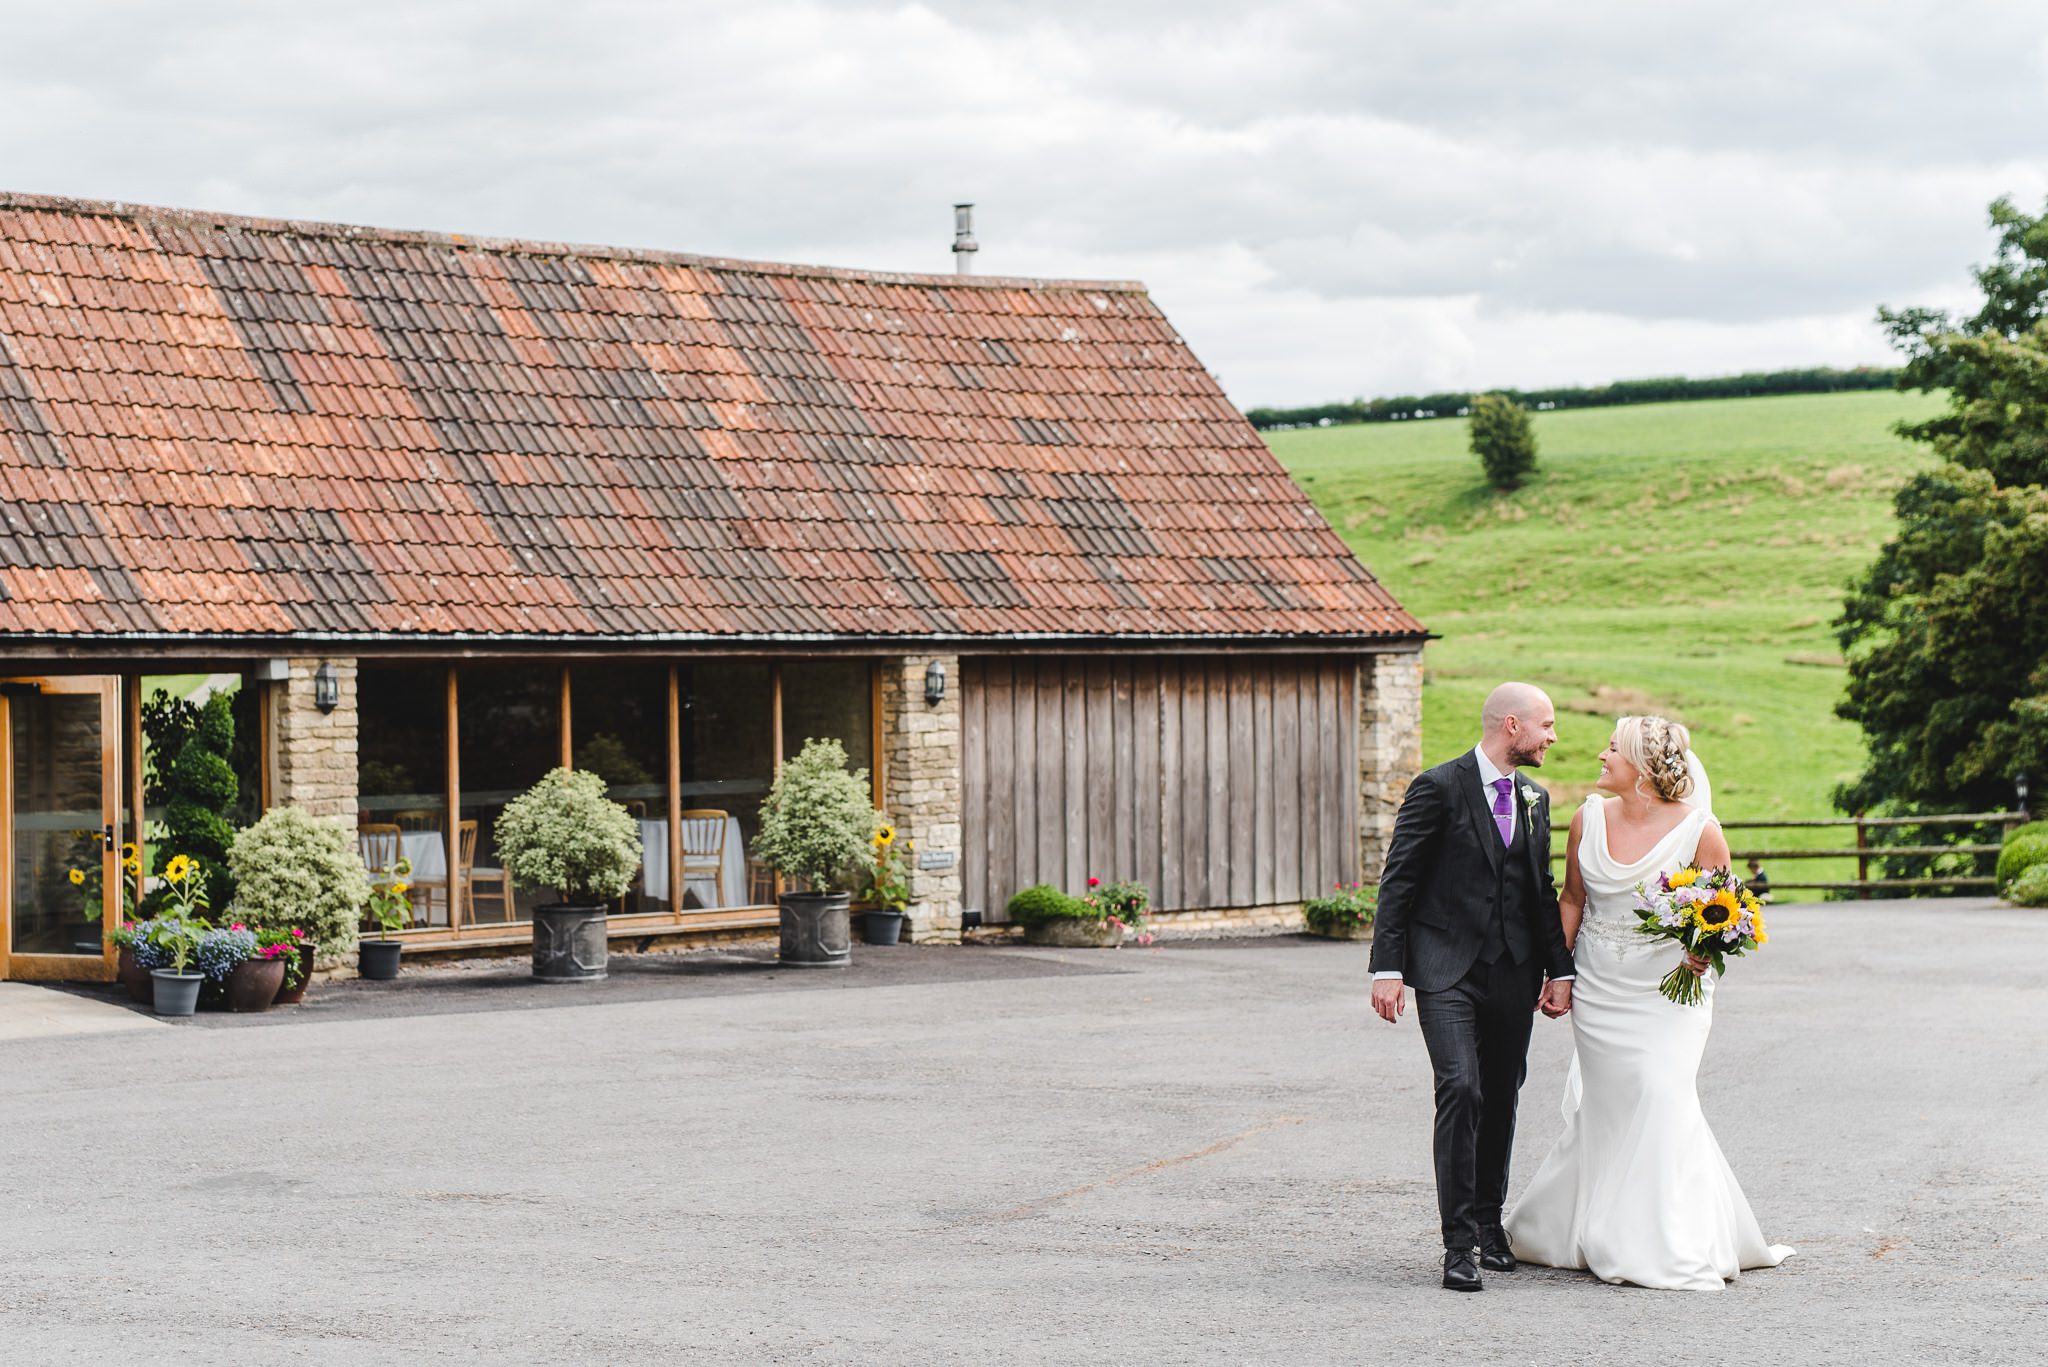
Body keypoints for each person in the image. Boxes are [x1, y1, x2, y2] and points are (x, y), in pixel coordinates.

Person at [1505, 715, 1794, 1290]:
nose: (1600, 755)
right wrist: (1557, 973)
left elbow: (1725, 910)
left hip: (1670, 990)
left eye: (1612, 748)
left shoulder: (1700, 830)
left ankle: (1669, 1240)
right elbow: (1572, 899)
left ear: (1640, 765)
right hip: (1599, 986)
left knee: (1662, 1093)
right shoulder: (1587, 818)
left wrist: (1700, 954)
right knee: (1613, 1106)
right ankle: (1589, 1222)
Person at [1368, 682, 1576, 1292]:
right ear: (1512, 726)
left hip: (1513, 972)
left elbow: (1540, 892)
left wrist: (1559, 971)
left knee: (1502, 1094)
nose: (1553, 737)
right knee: (1461, 1087)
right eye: (1546, 725)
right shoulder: (1437, 787)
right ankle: (1456, 1243)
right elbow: (1398, 881)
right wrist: (1388, 968)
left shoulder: (1535, 798)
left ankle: (1490, 1226)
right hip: (1445, 969)